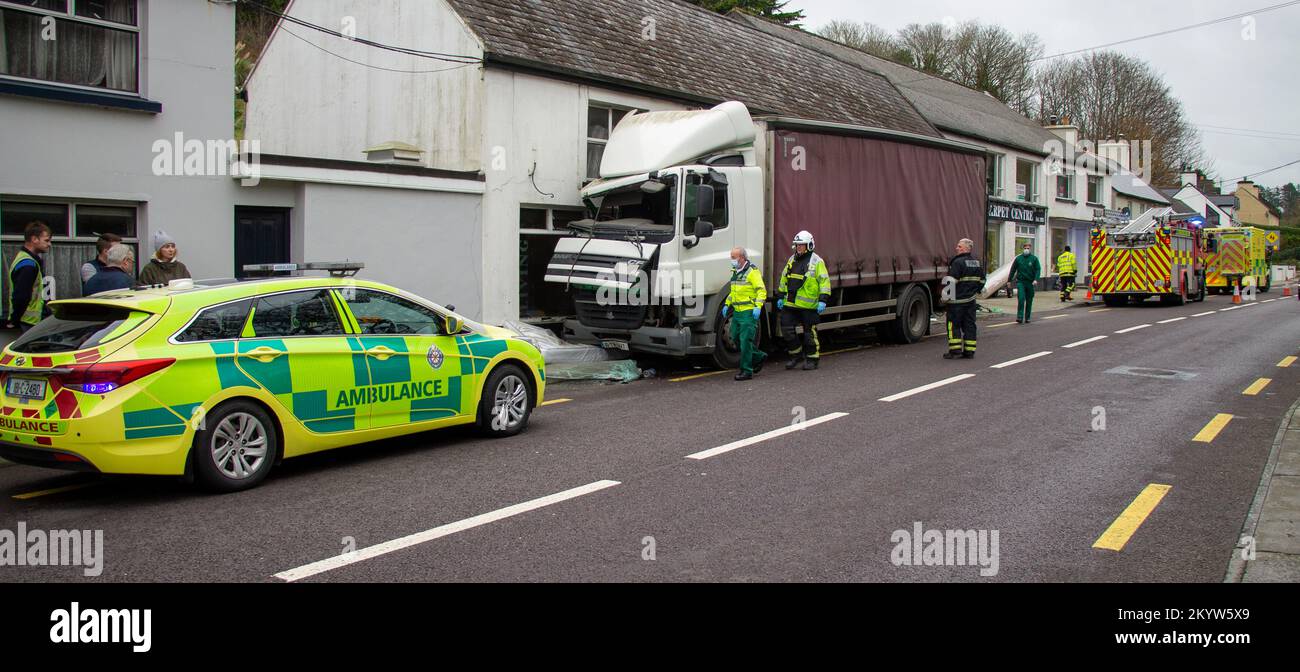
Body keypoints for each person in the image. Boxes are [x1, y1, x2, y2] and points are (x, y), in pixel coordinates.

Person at [777, 230, 831, 370]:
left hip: (808, 305)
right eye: (797, 245)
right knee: (787, 330)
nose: (798, 247)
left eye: (801, 245)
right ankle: (796, 356)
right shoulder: (792, 259)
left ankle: (812, 359)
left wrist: (823, 300)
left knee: (809, 334)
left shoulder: (817, 261)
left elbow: (824, 281)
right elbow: (784, 277)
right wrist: (780, 295)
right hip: (790, 303)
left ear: (809, 245)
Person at [721, 247, 767, 381]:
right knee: (734, 337)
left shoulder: (752, 272)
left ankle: (746, 370)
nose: (732, 260)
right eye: (731, 257)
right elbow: (734, 291)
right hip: (737, 312)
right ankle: (758, 356)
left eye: (734, 257)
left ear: (742, 258)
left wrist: (758, 307)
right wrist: (726, 304)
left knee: (745, 341)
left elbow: (761, 291)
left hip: (748, 312)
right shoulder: (735, 271)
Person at [5, 221, 52, 332]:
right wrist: (14, 320)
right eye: (46, 240)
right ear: (34, 239)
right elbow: (21, 296)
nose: (49, 244)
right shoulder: (28, 265)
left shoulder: (25, 259)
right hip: (28, 323)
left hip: (28, 322)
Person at [944, 238, 986, 359]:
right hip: (971, 301)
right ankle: (969, 351)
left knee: (953, 324)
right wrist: (975, 291)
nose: (957, 248)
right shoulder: (976, 262)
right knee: (969, 325)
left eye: (959, 246)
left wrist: (946, 297)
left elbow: (951, 282)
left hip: (956, 302)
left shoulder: (957, 263)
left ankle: (955, 350)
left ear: (967, 248)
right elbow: (982, 280)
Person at [1008, 242, 1041, 324]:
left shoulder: (1034, 259)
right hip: (1021, 282)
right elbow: (1013, 270)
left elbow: (1038, 269)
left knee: (1029, 301)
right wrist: (1009, 280)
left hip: (1030, 283)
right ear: (1023, 249)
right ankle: (1019, 317)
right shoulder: (1018, 259)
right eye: (1025, 248)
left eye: (1028, 248)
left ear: (1030, 249)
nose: (1026, 249)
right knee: (1021, 299)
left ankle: (1027, 317)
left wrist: (1036, 279)